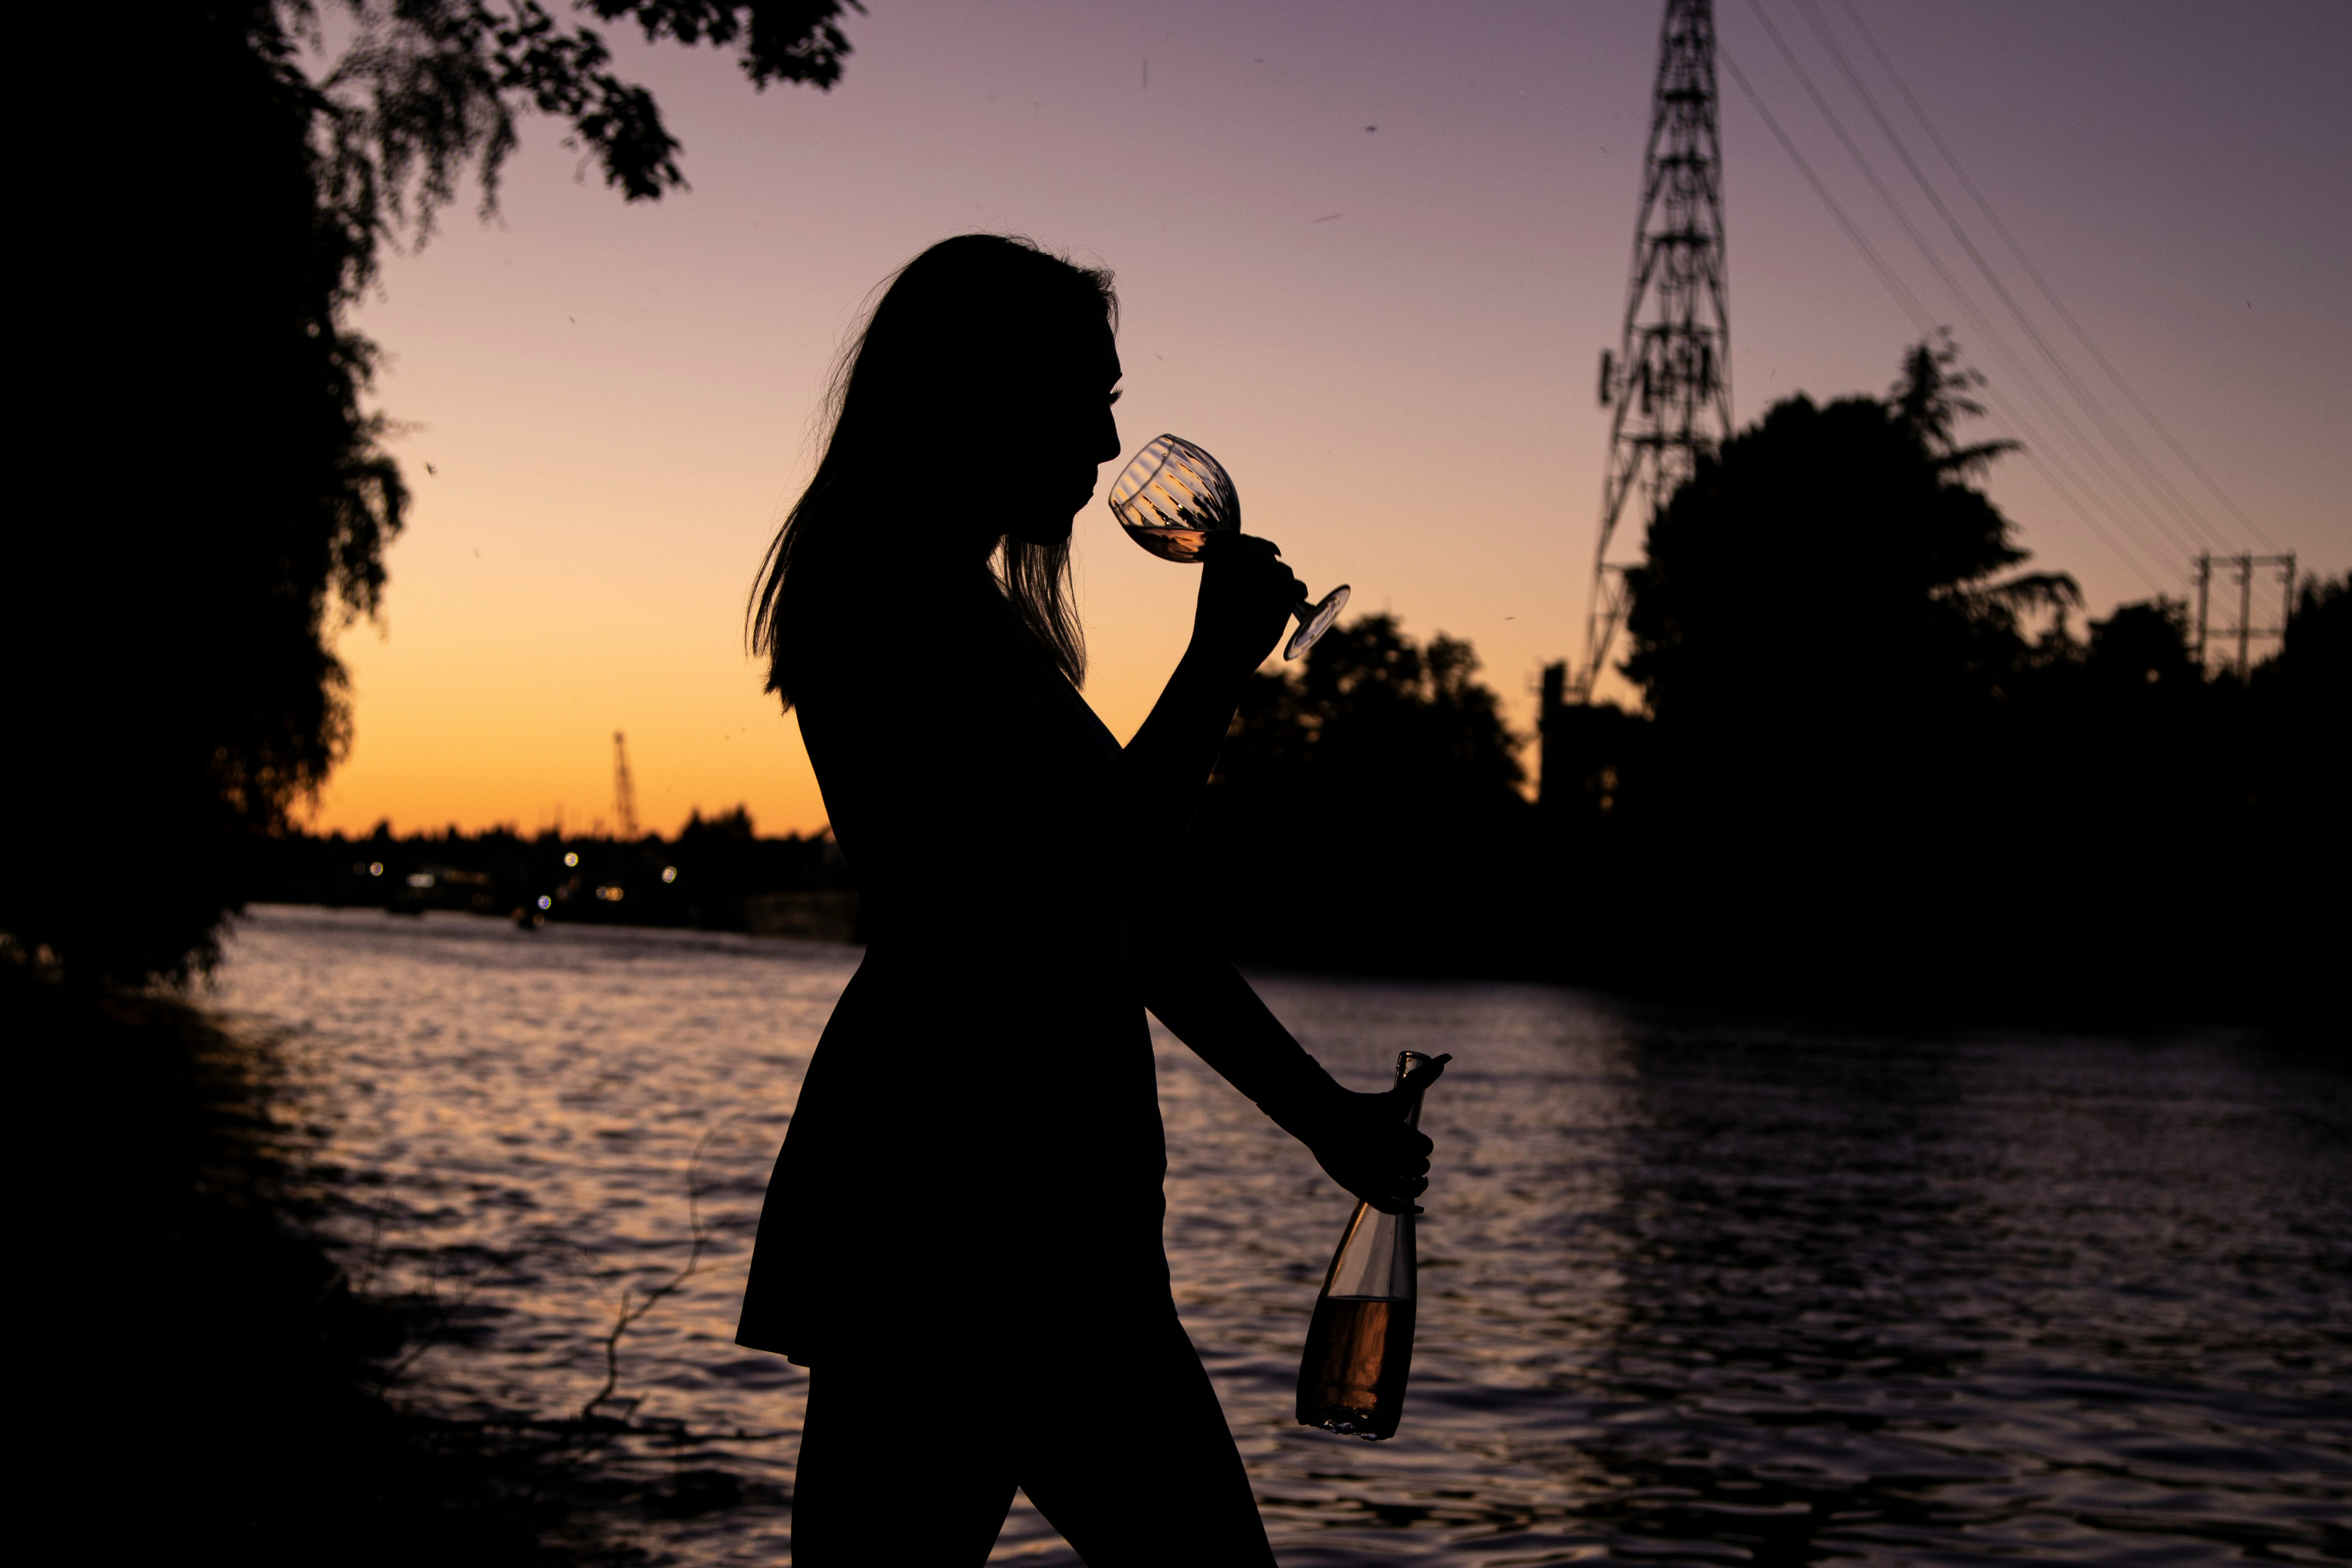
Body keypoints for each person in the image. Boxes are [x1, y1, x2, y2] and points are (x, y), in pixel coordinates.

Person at [738, 234, 1443, 1566]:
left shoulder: (976, 617)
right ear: (987, 396)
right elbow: (1065, 893)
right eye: (1092, 396)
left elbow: (1138, 921)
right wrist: (1216, 671)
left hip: (1063, 1227)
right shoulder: (883, 604)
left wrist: (1323, 1121)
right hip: (948, 1214)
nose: (1114, 437)